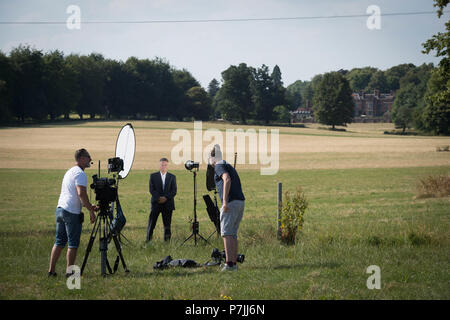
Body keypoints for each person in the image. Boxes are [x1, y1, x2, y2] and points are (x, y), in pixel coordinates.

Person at [48, 148, 98, 277]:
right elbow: (81, 193)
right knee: (73, 244)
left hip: (61, 209)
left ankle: (51, 271)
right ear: (81, 158)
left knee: (59, 242)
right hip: (71, 212)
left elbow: (74, 195)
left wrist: (89, 205)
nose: (90, 160)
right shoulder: (80, 174)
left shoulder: (70, 171)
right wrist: (91, 211)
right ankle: (70, 274)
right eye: (88, 157)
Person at [209, 144, 245, 272]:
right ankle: (233, 263)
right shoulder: (228, 165)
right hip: (240, 201)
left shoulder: (219, 166)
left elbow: (227, 179)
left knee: (226, 233)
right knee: (233, 234)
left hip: (230, 203)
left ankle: (229, 264)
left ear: (213, 158)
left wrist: (224, 201)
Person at [147, 158, 177, 242]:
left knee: (167, 225)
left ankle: (167, 243)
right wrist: (158, 198)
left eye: (165, 165)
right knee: (151, 224)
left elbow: (174, 191)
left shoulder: (172, 177)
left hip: (168, 204)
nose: (163, 166)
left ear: (167, 166)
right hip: (156, 203)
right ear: (159, 165)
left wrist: (165, 198)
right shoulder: (153, 176)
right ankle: (148, 241)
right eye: (162, 165)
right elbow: (151, 189)